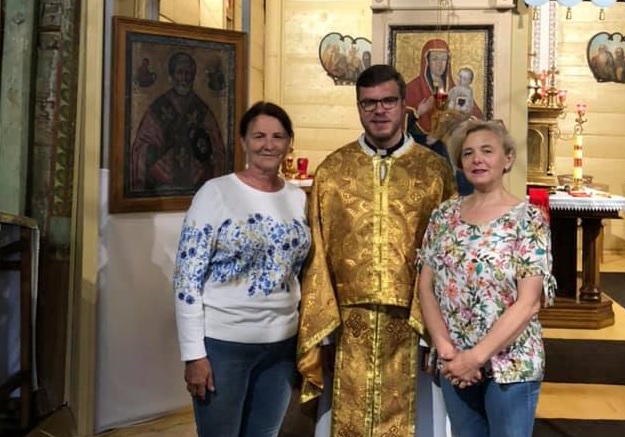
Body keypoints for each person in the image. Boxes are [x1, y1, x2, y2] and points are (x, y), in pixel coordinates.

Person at [297, 64, 457, 437]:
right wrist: (324, 327)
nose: (379, 110)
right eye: (368, 103)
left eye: (388, 101)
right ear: (358, 107)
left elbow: (446, 254)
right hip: (348, 324)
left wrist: (433, 331)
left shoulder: (434, 172)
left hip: (414, 322)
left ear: (404, 106)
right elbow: (318, 252)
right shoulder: (333, 171)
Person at [173, 101, 312, 437]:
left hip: (281, 345)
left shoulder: (298, 198)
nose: (269, 144)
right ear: (243, 142)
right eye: (259, 136)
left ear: (289, 143)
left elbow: (301, 271)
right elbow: (187, 279)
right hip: (224, 345)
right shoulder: (216, 193)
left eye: (278, 136)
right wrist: (194, 355)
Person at [417, 119, 556, 437]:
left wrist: (476, 358)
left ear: (507, 159)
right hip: (455, 363)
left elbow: (529, 303)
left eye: (487, 151)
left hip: (510, 365)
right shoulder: (444, 216)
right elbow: (426, 288)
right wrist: (446, 350)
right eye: (468, 153)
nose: (477, 159)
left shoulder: (528, 219)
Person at [130, 51, 226, 194]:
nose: (184, 78)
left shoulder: (202, 110)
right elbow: (141, 148)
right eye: (180, 72)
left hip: (198, 185)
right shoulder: (158, 108)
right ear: (171, 76)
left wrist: (203, 156)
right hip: (162, 186)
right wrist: (160, 155)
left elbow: (217, 150)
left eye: (188, 73)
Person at [406, 39, 484, 133]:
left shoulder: (455, 88)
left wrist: (466, 120)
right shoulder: (412, 88)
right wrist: (418, 112)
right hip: (422, 139)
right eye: (435, 59)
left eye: (443, 59)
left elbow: (476, 114)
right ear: (427, 61)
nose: (439, 64)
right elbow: (400, 123)